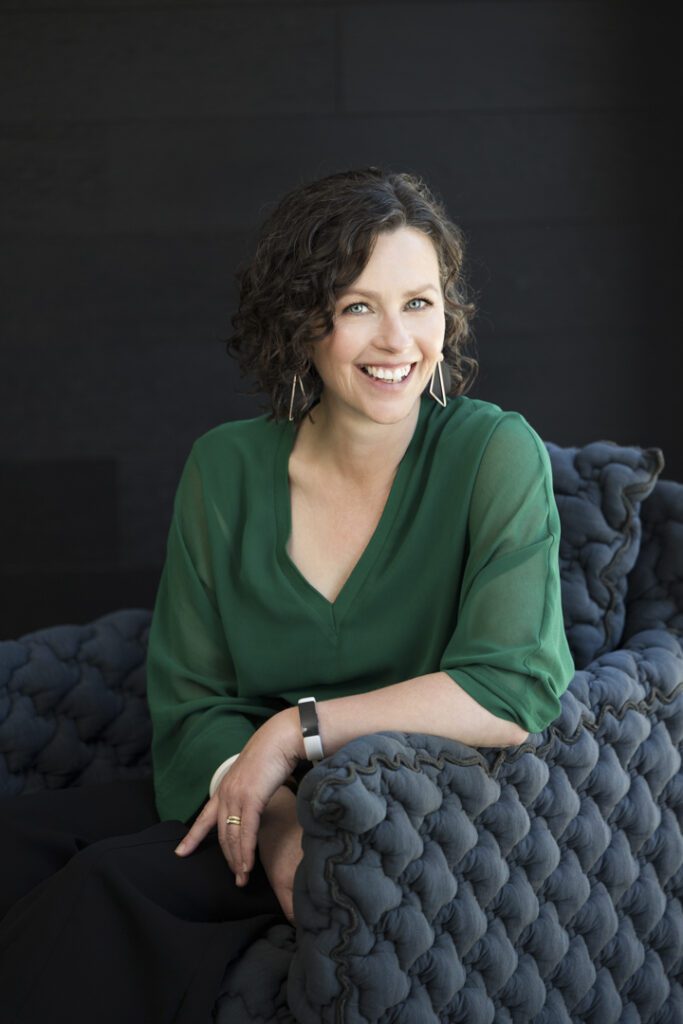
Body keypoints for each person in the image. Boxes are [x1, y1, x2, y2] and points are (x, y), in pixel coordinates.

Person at [0, 166, 575, 1022]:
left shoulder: (493, 453)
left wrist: (296, 732)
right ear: (300, 322)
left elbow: (511, 686)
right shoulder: (224, 467)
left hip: (399, 807)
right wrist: (270, 816)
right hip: (234, 789)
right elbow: (190, 699)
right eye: (356, 307)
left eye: (418, 302)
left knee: (102, 890)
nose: (396, 340)